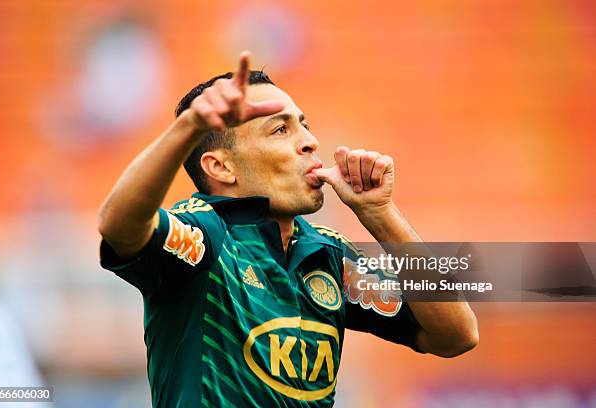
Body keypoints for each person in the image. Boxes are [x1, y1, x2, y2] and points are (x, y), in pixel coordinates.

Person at [98, 52, 478, 407]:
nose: (310, 142)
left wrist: (380, 213)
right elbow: (119, 225)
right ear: (221, 167)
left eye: (304, 125)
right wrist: (189, 128)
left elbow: (456, 334)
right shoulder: (205, 235)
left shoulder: (328, 255)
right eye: (280, 130)